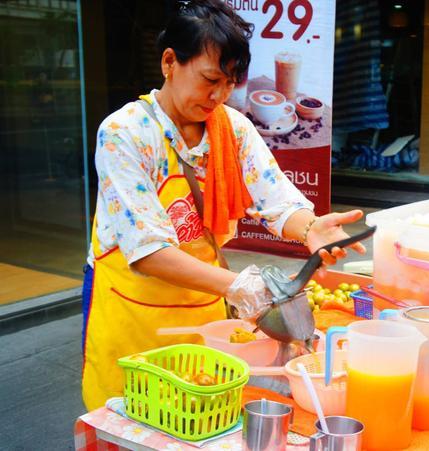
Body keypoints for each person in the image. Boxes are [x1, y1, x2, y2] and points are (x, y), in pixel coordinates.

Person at [81, 0, 366, 411]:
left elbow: (276, 198)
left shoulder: (232, 128)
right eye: (209, 79)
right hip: (132, 314)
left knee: (200, 411)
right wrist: (237, 286)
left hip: (204, 311)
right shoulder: (124, 133)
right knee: (134, 420)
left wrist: (309, 228)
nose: (219, 95)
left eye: (230, 82)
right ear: (169, 62)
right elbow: (147, 252)